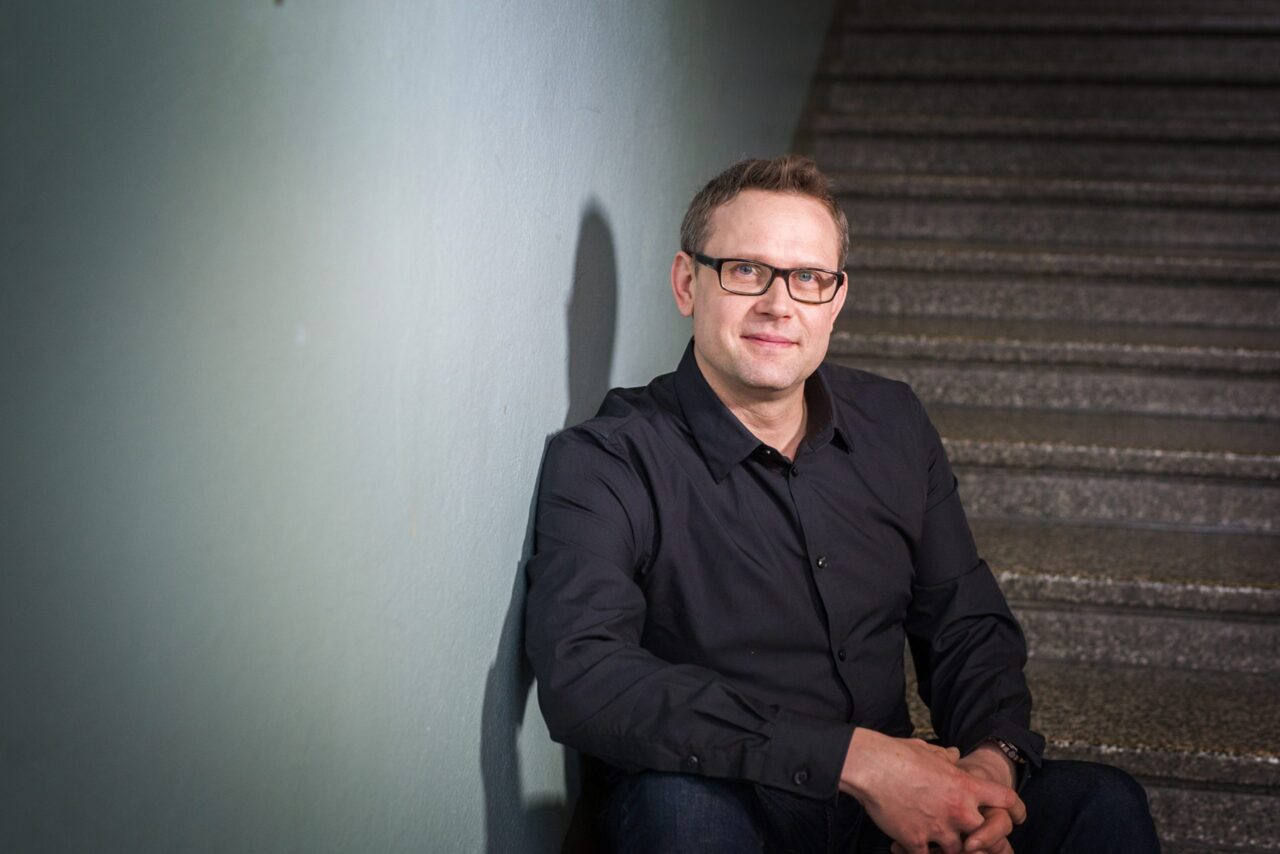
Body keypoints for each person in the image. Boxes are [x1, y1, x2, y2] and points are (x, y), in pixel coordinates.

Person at [524, 155, 1159, 853]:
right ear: (687, 283)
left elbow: (964, 621)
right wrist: (858, 759)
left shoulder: (893, 420)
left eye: (808, 278)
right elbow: (585, 675)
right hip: (726, 797)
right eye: (745, 270)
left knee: (1103, 804)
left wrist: (987, 765)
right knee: (678, 814)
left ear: (836, 298)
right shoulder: (609, 458)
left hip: (887, 813)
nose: (779, 304)